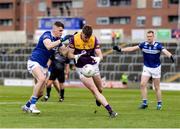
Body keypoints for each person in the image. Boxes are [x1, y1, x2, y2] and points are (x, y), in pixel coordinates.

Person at [113, 30, 174, 110]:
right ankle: (144, 103)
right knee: (142, 84)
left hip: (156, 68)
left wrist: (170, 56)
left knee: (156, 87)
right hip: (147, 67)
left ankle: (159, 104)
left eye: (150, 36)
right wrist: (120, 49)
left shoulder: (158, 45)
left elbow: (165, 51)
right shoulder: (143, 44)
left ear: (153, 37)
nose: (149, 38)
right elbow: (132, 48)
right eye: (148, 36)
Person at [68, 25, 118, 118]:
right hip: (82, 68)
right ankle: (111, 111)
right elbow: (69, 54)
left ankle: (98, 98)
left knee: (100, 89)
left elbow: (100, 54)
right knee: (94, 90)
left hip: (93, 66)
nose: (87, 39)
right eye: (85, 37)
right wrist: (75, 56)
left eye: (88, 37)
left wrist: (99, 58)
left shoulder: (93, 39)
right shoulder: (74, 39)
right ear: (82, 33)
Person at [21, 21, 71, 114]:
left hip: (43, 66)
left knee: (40, 94)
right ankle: (32, 106)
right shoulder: (47, 35)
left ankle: (27, 106)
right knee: (42, 79)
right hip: (34, 61)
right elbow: (48, 46)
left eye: (62, 31)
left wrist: (71, 44)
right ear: (54, 29)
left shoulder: (58, 40)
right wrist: (62, 40)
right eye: (60, 30)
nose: (61, 32)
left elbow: (65, 53)